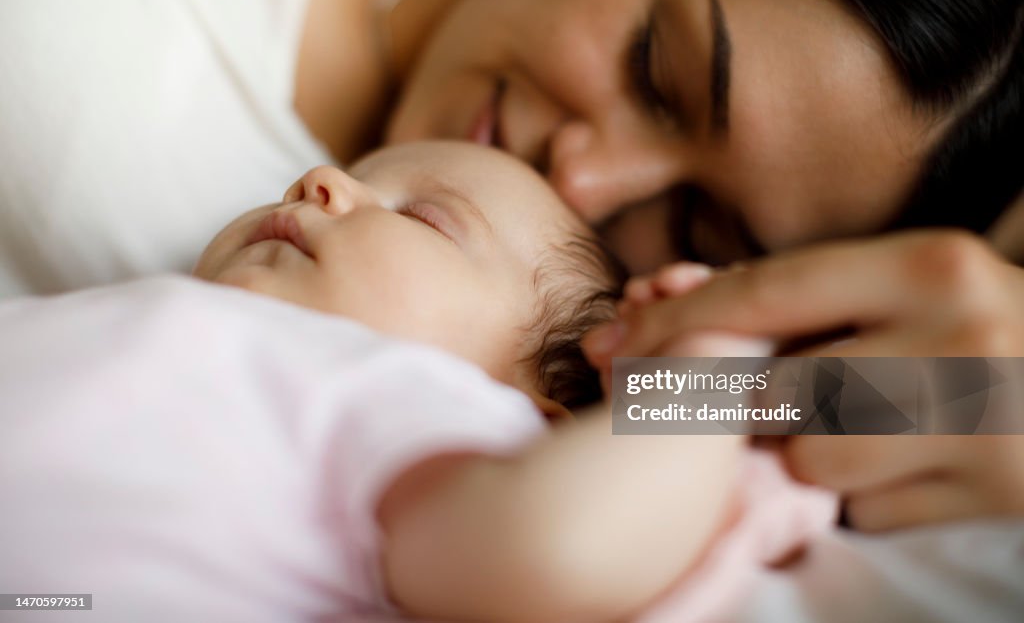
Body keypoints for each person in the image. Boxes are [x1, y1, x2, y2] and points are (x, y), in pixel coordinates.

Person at [0, 0, 1021, 529]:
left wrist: (978, 395)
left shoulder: (550, 363)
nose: (582, 176)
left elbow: (688, 408)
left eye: (696, 222)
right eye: (653, 70)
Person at [0, 141, 832, 622]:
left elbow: (551, 546)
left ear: (520, 415)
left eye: (422, 217)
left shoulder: (408, 403)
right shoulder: (131, 315)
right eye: (359, 175)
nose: (322, 182)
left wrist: (712, 364)